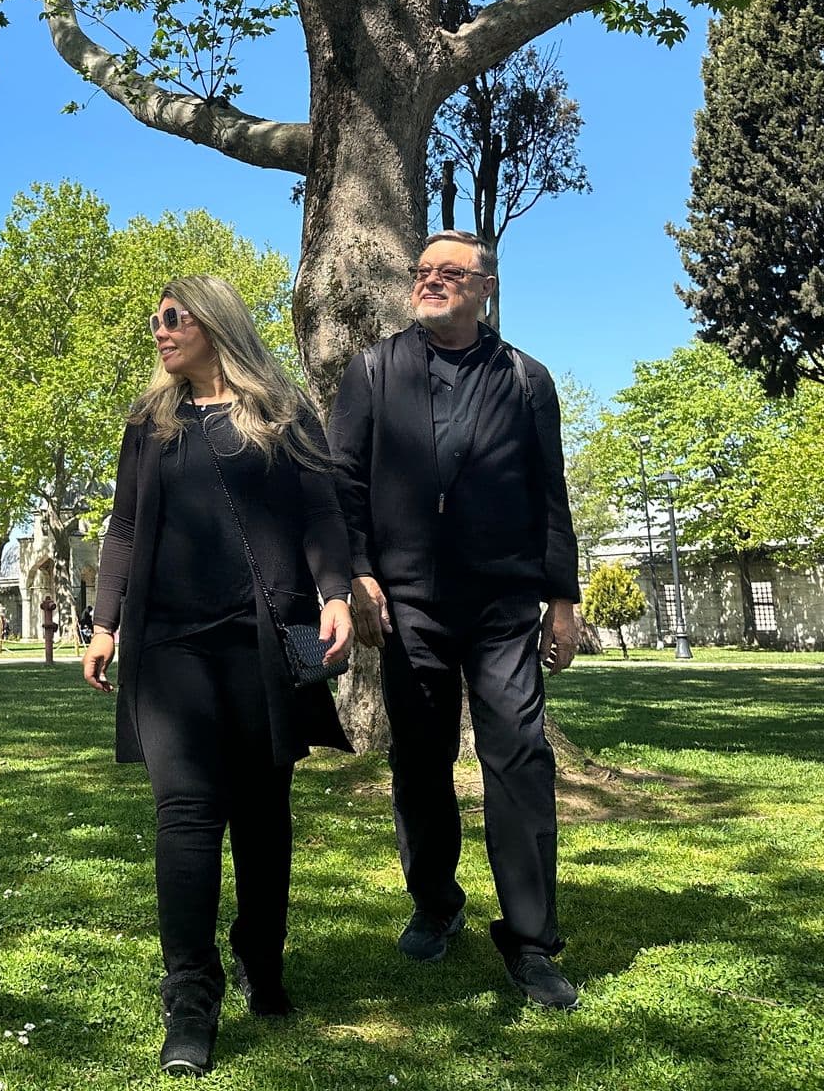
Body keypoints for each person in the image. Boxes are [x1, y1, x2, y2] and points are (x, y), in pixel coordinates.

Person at [81, 275, 354, 1078]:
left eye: (173, 318)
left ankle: (261, 963)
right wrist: (103, 625)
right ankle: (190, 996)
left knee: (265, 812)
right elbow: (125, 523)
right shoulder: (150, 422)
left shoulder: (281, 409)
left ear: (214, 322)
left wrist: (336, 593)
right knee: (188, 814)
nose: (160, 332)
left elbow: (322, 512)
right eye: (155, 322)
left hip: (265, 640)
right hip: (169, 649)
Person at [327, 230, 582, 1010]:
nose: (431, 281)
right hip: (406, 606)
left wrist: (562, 599)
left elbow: (550, 494)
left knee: (521, 759)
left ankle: (532, 940)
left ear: (484, 288)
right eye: (424, 271)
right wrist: (358, 574)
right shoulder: (372, 370)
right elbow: (343, 482)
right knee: (421, 762)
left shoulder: (527, 381)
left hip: (504, 602)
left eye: (450, 273)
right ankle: (435, 904)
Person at [42, 593, 59, 665]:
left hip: (49, 625)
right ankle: (49, 660)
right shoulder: (49, 605)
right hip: (48, 625)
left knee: (49, 640)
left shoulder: (48, 605)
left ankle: (49, 660)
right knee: (49, 640)